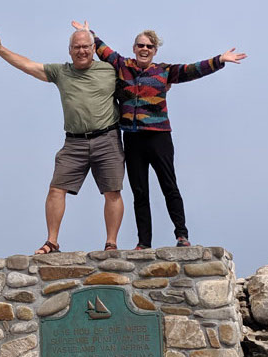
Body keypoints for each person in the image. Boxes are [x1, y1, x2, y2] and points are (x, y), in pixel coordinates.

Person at [73, 22, 246, 249]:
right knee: (139, 191)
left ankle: (181, 235)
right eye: (141, 45)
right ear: (134, 48)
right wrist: (89, 33)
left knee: (169, 186)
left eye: (149, 46)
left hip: (159, 137)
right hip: (133, 139)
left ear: (155, 51)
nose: (145, 49)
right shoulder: (122, 65)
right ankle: (144, 242)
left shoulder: (164, 71)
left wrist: (219, 60)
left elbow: (191, 70)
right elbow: (102, 49)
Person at [0, 26, 125, 254]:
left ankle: (111, 243)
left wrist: (163, 84)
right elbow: (28, 65)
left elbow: (137, 82)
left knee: (113, 191)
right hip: (74, 142)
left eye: (86, 47)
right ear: (69, 51)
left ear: (93, 48)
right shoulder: (61, 72)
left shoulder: (109, 70)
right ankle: (52, 242)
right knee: (56, 189)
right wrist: (0, 49)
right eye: (77, 47)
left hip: (107, 138)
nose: (81, 51)